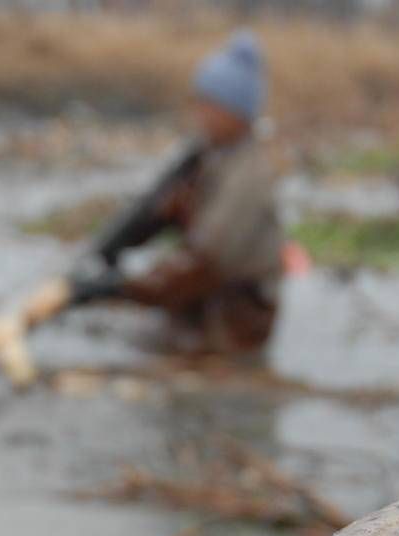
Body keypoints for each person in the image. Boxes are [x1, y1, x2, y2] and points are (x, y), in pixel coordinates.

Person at [68, 31, 284, 352]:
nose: (200, 112)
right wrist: (109, 250)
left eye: (209, 103)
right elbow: (157, 209)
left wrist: (118, 289)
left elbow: (203, 262)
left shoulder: (247, 177)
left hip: (233, 323)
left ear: (235, 112)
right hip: (200, 307)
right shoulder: (207, 157)